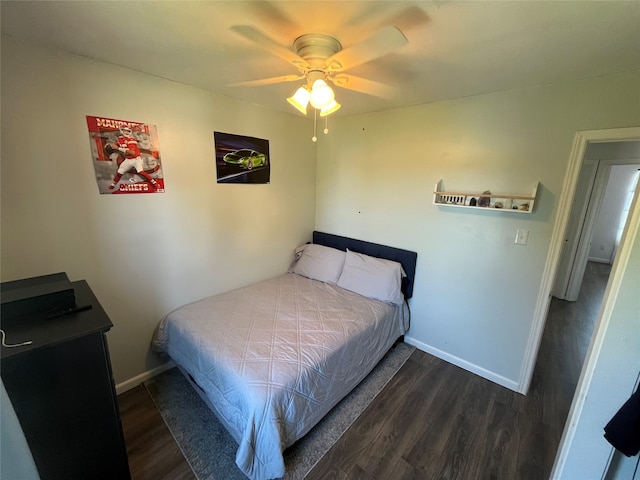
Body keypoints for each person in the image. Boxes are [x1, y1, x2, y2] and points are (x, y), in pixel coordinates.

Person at [106, 126, 158, 191]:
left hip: (136, 159)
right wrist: (111, 146)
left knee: (140, 171)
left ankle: (154, 182)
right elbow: (115, 145)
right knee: (119, 172)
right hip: (128, 159)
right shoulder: (120, 139)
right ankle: (113, 185)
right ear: (121, 131)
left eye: (128, 131)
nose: (126, 132)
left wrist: (118, 148)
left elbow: (132, 153)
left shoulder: (132, 140)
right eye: (124, 130)